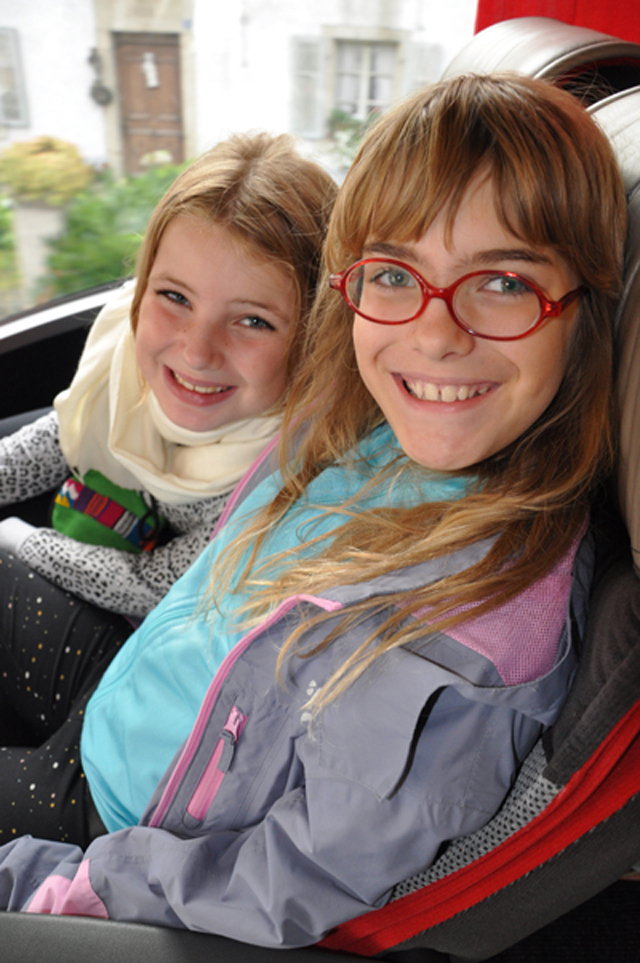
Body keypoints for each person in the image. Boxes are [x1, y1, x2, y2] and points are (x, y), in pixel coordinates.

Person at [0, 73, 626, 946]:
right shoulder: (368, 426)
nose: (436, 332)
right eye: (395, 273)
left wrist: (60, 888)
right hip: (131, 703)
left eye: (504, 282)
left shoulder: (467, 646)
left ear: (586, 311)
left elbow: (283, 880)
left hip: (123, 830)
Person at [0, 132, 336, 789]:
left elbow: (149, 585)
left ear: (314, 336)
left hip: (148, 665)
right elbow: (63, 437)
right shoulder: (122, 357)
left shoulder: (280, 475)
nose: (197, 350)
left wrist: (16, 538)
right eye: (174, 298)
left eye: (254, 321)